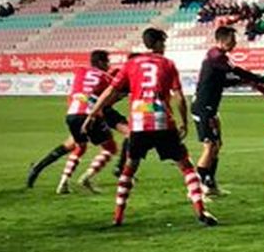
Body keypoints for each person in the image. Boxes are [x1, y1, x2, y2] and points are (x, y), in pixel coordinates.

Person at [82, 28, 217, 227]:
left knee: (128, 170)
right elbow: (179, 96)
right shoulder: (168, 64)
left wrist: (93, 114)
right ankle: (200, 210)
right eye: (164, 42)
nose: (165, 45)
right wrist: (184, 123)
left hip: (138, 123)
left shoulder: (131, 64)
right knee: (187, 167)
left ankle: (118, 217)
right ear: (158, 43)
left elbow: (111, 91)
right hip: (163, 121)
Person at [191, 26, 264, 196]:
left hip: (210, 109)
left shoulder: (218, 58)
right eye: (232, 39)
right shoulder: (216, 55)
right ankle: (196, 189)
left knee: (217, 145)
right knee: (210, 146)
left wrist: (247, 81)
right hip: (203, 108)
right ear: (222, 39)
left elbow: (223, 81)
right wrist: (257, 79)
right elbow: (236, 71)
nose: (234, 43)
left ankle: (210, 185)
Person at [54, 50, 125, 195]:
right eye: (106, 62)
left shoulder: (80, 71)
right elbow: (109, 98)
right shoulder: (106, 78)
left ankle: (63, 182)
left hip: (72, 113)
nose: (108, 65)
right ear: (100, 62)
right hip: (90, 115)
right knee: (110, 148)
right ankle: (87, 177)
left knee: (80, 148)